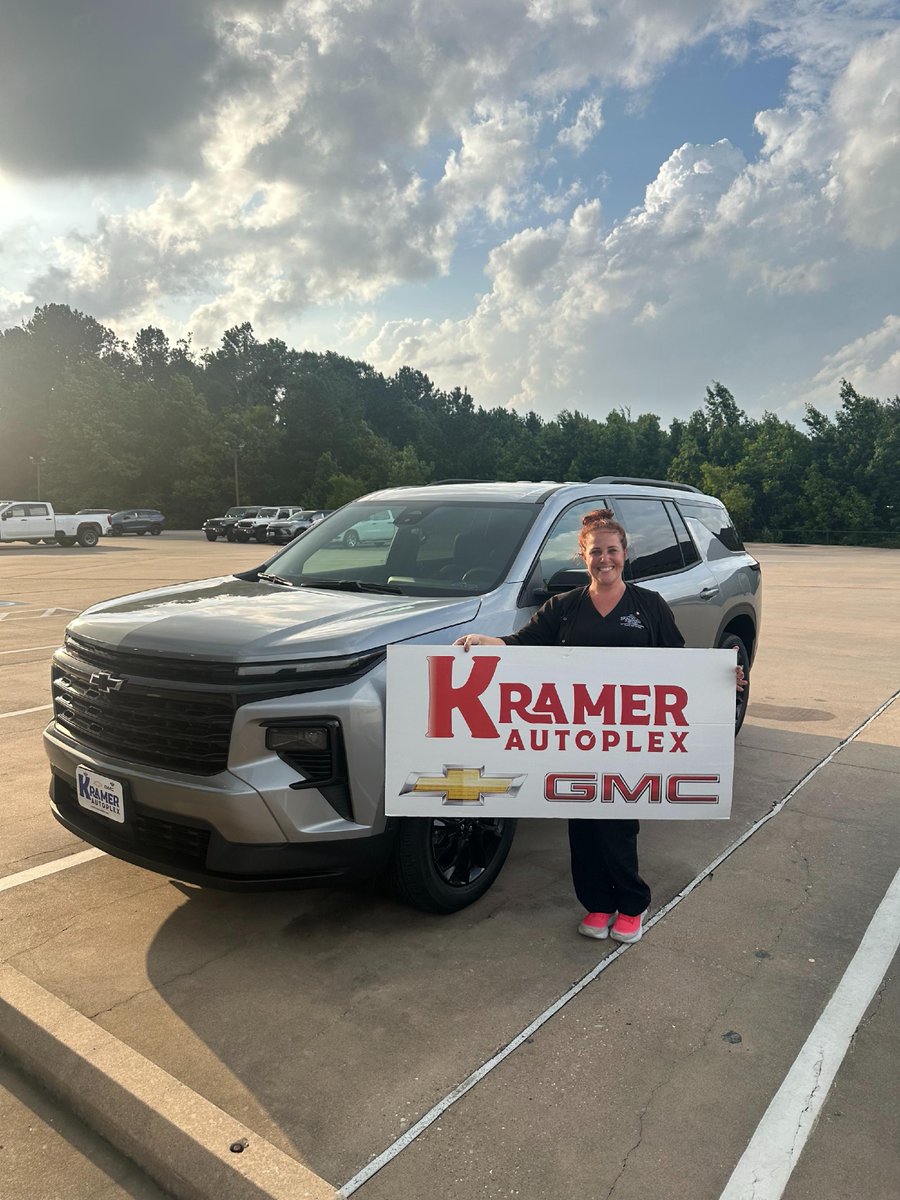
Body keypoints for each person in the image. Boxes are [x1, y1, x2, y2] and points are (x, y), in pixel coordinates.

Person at [454, 507, 744, 945]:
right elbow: (522, 646)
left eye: (612, 551)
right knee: (582, 826)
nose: (604, 559)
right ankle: (597, 903)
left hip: (626, 741)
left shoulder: (648, 606)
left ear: (626, 553)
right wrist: (485, 643)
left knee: (617, 825)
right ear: (582, 556)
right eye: (595, 552)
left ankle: (631, 904)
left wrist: (724, 675)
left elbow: (682, 665)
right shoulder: (563, 608)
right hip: (576, 742)